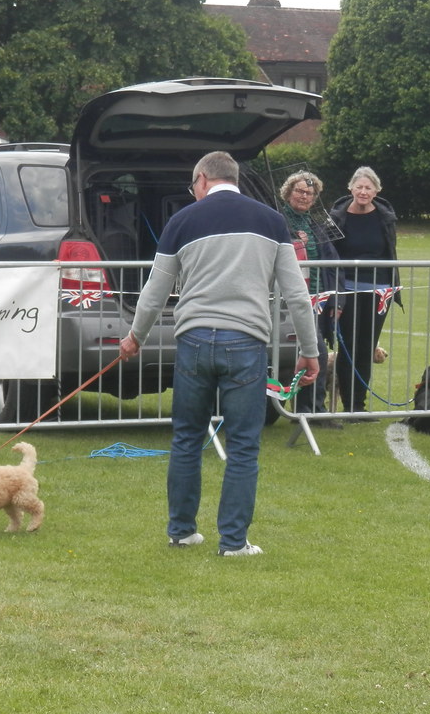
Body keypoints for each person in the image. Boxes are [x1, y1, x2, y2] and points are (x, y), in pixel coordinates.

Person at [119, 151, 319, 557]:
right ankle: (233, 542)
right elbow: (297, 294)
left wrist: (135, 336)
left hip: (193, 340)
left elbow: (155, 290)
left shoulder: (181, 222)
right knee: (244, 444)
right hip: (246, 342)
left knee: (187, 438)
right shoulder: (272, 221)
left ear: (204, 179)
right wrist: (310, 350)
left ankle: (181, 531)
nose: (193, 193)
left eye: (193, 186)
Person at [329, 166, 400, 416]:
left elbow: (389, 251)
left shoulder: (385, 217)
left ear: (376, 191)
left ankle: (358, 405)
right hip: (346, 289)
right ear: (350, 188)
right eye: (358, 186)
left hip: (379, 290)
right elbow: (329, 251)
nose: (363, 191)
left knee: (366, 347)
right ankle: (348, 403)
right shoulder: (337, 216)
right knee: (347, 345)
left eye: (368, 187)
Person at [280, 171, 343, 427]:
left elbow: (333, 264)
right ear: (287, 192)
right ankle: (307, 410)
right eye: (299, 191)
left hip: (317, 299)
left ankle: (310, 409)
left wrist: (337, 301)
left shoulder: (317, 225)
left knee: (315, 351)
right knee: (311, 351)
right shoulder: (278, 220)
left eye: (310, 193)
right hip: (286, 301)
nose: (304, 196)